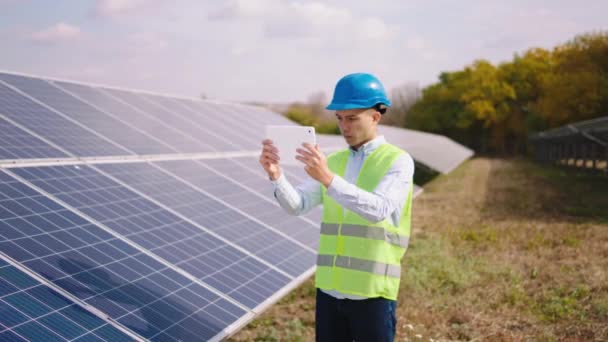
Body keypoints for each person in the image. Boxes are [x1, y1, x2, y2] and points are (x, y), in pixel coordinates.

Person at [259, 73, 414, 341]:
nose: (344, 126)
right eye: (340, 118)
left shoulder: (398, 161)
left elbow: (378, 210)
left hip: (372, 293)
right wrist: (276, 175)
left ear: (376, 117)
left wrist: (328, 179)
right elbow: (298, 205)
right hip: (330, 291)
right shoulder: (335, 160)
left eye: (352, 118)